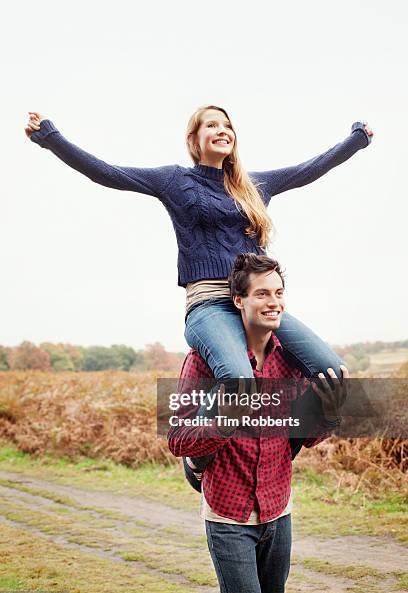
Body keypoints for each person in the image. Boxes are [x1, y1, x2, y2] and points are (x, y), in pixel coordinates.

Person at [25, 106, 372, 394]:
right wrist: (51, 138)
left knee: (332, 374)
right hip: (209, 303)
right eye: (211, 124)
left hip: (258, 302)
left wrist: (356, 140)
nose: (222, 130)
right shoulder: (174, 180)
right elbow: (107, 173)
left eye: (227, 125)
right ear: (194, 139)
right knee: (241, 385)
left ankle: (281, 445)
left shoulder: (253, 186)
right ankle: (197, 450)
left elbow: (309, 169)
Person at [167, 252, 348, 593]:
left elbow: (305, 437)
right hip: (228, 515)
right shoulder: (202, 361)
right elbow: (177, 438)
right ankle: (196, 470)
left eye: (279, 293)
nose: (274, 302)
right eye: (262, 294)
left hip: (278, 511)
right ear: (239, 300)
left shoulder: (292, 362)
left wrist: (329, 415)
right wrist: (226, 420)